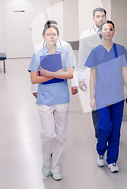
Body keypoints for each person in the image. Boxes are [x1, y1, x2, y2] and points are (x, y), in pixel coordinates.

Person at [28, 24, 74, 181]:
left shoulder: (64, 53)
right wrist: (55, 74)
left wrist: (46, 73)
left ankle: (55, 167)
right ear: (43, 37)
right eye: (48, 34)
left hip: (62, 98)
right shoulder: (38, 54)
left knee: (61, 135)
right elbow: (34, 78)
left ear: (57, 37)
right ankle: (46, 162)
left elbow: (69, 74)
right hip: (45, 99)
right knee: (48, 134)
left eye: (54, 34)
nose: (52, 36)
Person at [85, 20, 127, 173]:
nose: (108, 31)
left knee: (116, 129)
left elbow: (125, 71)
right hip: (102, 96)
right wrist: (92, 97)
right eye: (105, 29)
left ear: (113, 32)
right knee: (105, 127)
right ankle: (100, 151)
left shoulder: (120, 49)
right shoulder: (95, 51)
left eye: (110, 29)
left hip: (118, 95)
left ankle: (112, 160)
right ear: (100, 32)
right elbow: (92, 76)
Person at [77, 8, 107, 138]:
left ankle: (108, 131)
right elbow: (82, 58)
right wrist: (81, 79)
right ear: (93, 18)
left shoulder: (111, 32)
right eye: (98, 16)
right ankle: (98, 133)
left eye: (102, 16)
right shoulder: (85, 35)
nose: (100, 18)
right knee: (95, 105)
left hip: (109, 75)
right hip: (92, 75)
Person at [32, 20, 78, 98]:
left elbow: (73, 65)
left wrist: (74, 83)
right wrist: (34, 89)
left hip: (62, 82)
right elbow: (34, 69)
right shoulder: (38, 48)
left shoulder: (66, 46)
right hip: (44, 83)